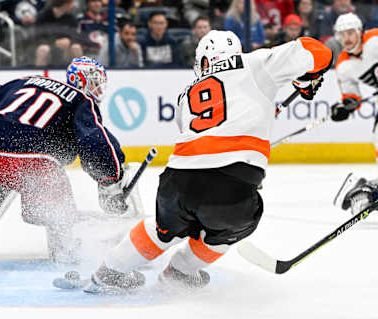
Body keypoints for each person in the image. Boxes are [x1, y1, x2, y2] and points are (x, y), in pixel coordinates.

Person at [85, 30, 332, 292]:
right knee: (232, 224)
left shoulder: (186, 95)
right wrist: (307, 78)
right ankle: (180, 272)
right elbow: (318, 51)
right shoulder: (255, 63)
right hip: (231, 184)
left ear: (204, 61)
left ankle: (107, 273)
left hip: (176, 180)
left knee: (162, 230)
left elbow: (208, 127)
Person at [0, 56, 142, 262]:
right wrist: (110, 179)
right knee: (55, 196)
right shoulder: (80, 100)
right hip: (26, 163)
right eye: (92, 82)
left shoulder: (28, 80)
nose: (97, 88)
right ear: (78, 80)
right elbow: (94, 141)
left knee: (6, 173)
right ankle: (66, 246)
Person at [329, 13, 378, 159]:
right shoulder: (343, 66)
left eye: (350, 33)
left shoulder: (375, 39)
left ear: (359, 32)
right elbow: (352, 96)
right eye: (342, 35)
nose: (346, 38)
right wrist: (346, 107)